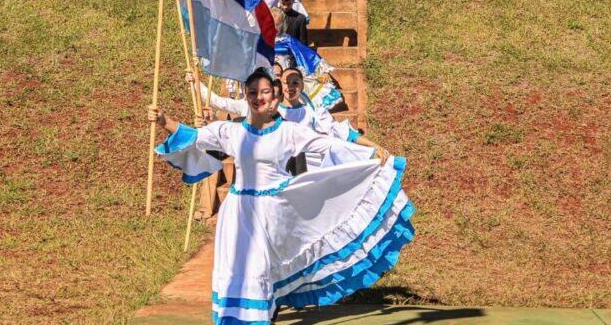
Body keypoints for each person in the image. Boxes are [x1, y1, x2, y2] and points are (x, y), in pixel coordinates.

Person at [148, 68, 414, 324]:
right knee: (236, 268)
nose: (258, 97)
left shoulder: (289, 131)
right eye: (252, 92)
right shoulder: (231, 131)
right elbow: (193, 137)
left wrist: (369, 152)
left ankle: (261, 317)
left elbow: (328, 143)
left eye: (264, 92)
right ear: (246, 95)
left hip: (273, 211)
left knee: (262, 269)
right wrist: (164, 121)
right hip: (238, 212)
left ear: (274, 98)